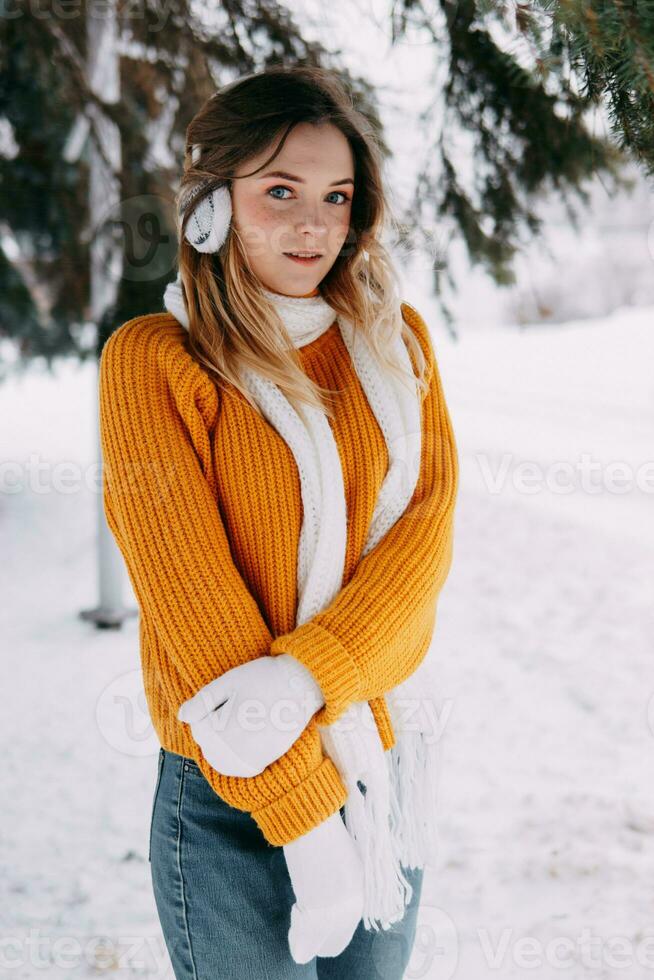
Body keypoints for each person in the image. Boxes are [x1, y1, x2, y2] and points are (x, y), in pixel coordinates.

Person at [98, 65, 459, 979]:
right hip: (225, 792)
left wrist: (306, 679)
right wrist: (303, 826)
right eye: (280, 191)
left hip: (370, 767)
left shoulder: (395, 344)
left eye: (336, 196)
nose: (314, 225)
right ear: (211, 207)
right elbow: (193, 608)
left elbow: (421, 546)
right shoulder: (153, 364)